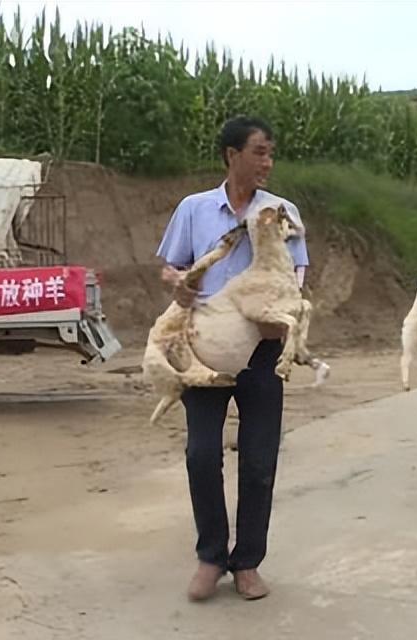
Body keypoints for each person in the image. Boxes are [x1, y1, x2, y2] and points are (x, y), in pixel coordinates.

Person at [155, 116, 308, 602]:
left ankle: (248, 563)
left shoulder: (281, 211)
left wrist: (280, 315)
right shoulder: (195, 210)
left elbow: (297, 272)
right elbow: (170, 265)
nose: (267, 162)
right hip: (208, 346)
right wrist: (178, 283)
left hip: (262, 348)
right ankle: (211, 556)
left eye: (270, 153)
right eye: (259, 152)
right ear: (231, 155)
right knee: (201, 454)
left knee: (259, 458)